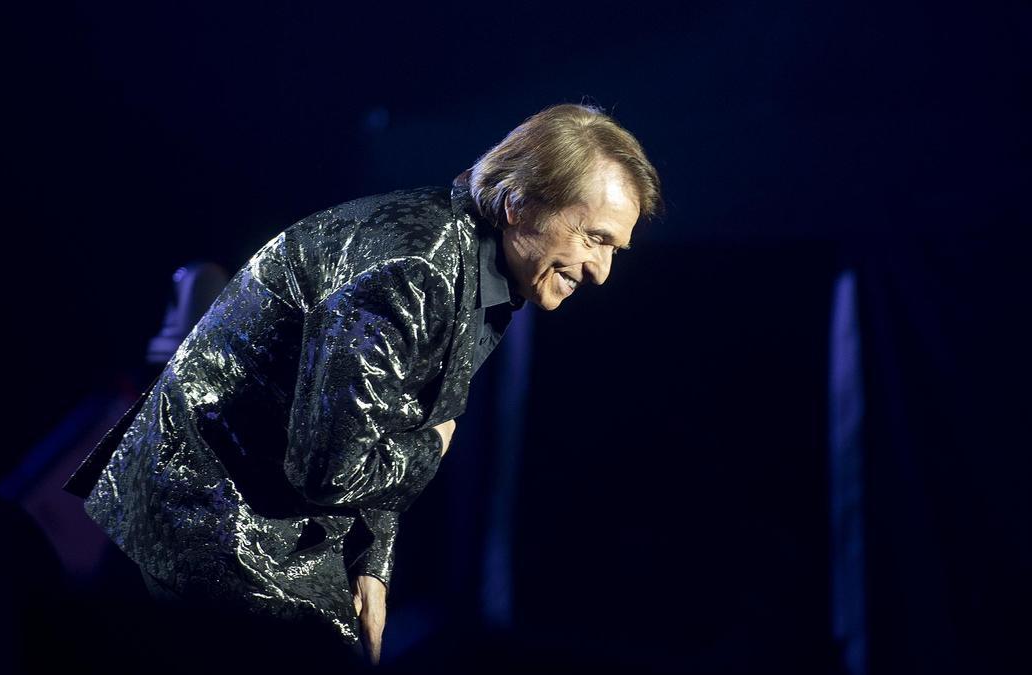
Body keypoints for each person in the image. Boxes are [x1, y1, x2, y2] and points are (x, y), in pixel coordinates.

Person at [63, 102, 661, 668]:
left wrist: (371, 562)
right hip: (207, 515)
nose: (602, 272)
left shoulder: (480, 268)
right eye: (594, 238)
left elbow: (378, 421)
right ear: (519, 203)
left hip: (269, 509)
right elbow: (331, 470)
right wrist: (435, 445)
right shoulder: (414, 270)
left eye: (615, 248)